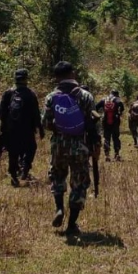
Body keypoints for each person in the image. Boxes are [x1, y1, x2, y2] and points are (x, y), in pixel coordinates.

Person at [42, 61, 96, 235]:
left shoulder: (51, 97)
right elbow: (92, 125)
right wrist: (96, 144)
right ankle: (72, 224)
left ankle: (59, 208)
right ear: (73, 73)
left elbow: (46, 123)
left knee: (57, 176)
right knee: (79, 183)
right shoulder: (86, 96)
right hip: (80, 145)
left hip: (59, 145)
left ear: (56, 77)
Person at [0, 69, 44, 186]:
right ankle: (25, 169)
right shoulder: (31, 94)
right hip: (27, 130)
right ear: (26, 79)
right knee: (31, 149)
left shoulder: (8, 93)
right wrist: (40, 129)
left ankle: (13, 176)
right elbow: (36, 114)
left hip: (10, 131)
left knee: (13, 153)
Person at [81, 85, 102, 197]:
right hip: (89, 134)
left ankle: (82, 188)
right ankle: (95, 189)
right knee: (93, 161)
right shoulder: (88, 97)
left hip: (74, 136)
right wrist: (98, 138)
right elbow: (96, 118)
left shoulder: (72, 98)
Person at [96, 90, 125, 161]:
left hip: (105, 121)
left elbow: (96, 107)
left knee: (106, 138)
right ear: (116, 94)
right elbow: (122, 108)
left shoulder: (104, 99)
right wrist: (119, 113)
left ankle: (107, 155)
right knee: (116, 137)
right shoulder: (117, 100)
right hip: (115, 121)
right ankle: (117, 154)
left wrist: (100, 115)